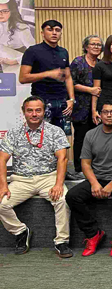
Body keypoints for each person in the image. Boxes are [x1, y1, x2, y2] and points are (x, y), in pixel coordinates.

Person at [65, 101, 112, 257]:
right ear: (99, 113)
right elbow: (85, 163)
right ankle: (93, 233)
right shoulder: (91, 134)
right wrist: (94, 183)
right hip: (99, 177)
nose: (109, 115)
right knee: (72, 196)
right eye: (105, 112)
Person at [0, 96, 71, 257]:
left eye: (38, 110)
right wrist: (3, 185)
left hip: (49, 178)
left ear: (44, 111)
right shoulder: (14, 132)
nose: (34, 114)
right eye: (30, 110)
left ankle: (61, 241)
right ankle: (20, 231)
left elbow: (63, 158)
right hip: (21, 180)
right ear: (23, 112)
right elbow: (2, 160)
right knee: (1, 204)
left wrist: (59, 184)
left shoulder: (55, 131)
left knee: (63, 199)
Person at [19, 19, 75, 136]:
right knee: (41, 138)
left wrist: (71, 99)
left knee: (61, 138)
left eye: (57, 30)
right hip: (41, 101)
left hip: (62, 102)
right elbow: (23, 78)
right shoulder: (32, 51)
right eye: (50, 30)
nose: (54, 33)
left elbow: (68, 77)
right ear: (42, 33)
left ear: (61, 33)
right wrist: (48, 74)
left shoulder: (63, 52)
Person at [70, 35, 103, 171]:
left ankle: (94, 166)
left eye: (99, 45)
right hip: (80, 107)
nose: (96, 47)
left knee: (97, 138)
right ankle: (79, 168)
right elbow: (70, 83)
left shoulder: (101, 64)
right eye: (93, 44)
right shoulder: (78, 62)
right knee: (81, 138)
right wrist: (90, 90)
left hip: (98, 107)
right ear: (86, 47)